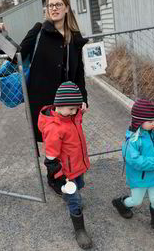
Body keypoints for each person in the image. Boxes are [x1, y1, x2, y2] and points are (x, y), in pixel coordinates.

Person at [0, 0, 89, 143]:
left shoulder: (74, 37)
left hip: (68, 103)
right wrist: (1, 37)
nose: (54, 8)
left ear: (67, 8)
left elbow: (79, 73)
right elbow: (19, 55)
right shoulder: (39, 31)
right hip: (42, 102)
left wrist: (83, 98)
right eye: (50, 5)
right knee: (52, 149)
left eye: (58, 4)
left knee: (70, 145)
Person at [37, 81, 93, 250]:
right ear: (59, 105)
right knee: (74, 199)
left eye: (76, 108)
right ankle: (80, 229)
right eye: (71, 109)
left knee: (80, 185)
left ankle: (70, 197)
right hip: (66, 172)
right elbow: (51, 160)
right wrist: (59, 177)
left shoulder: (71, 116)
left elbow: (76, 117)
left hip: (78, 165)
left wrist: (80, 111)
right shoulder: (54, 129)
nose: (74, 112)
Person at [112, 99, 154, 239]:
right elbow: (136, 161)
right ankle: (121, 203)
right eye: (150, 121)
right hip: (139, 177)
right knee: (137, 201)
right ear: (139, 121)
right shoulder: (132, 140)